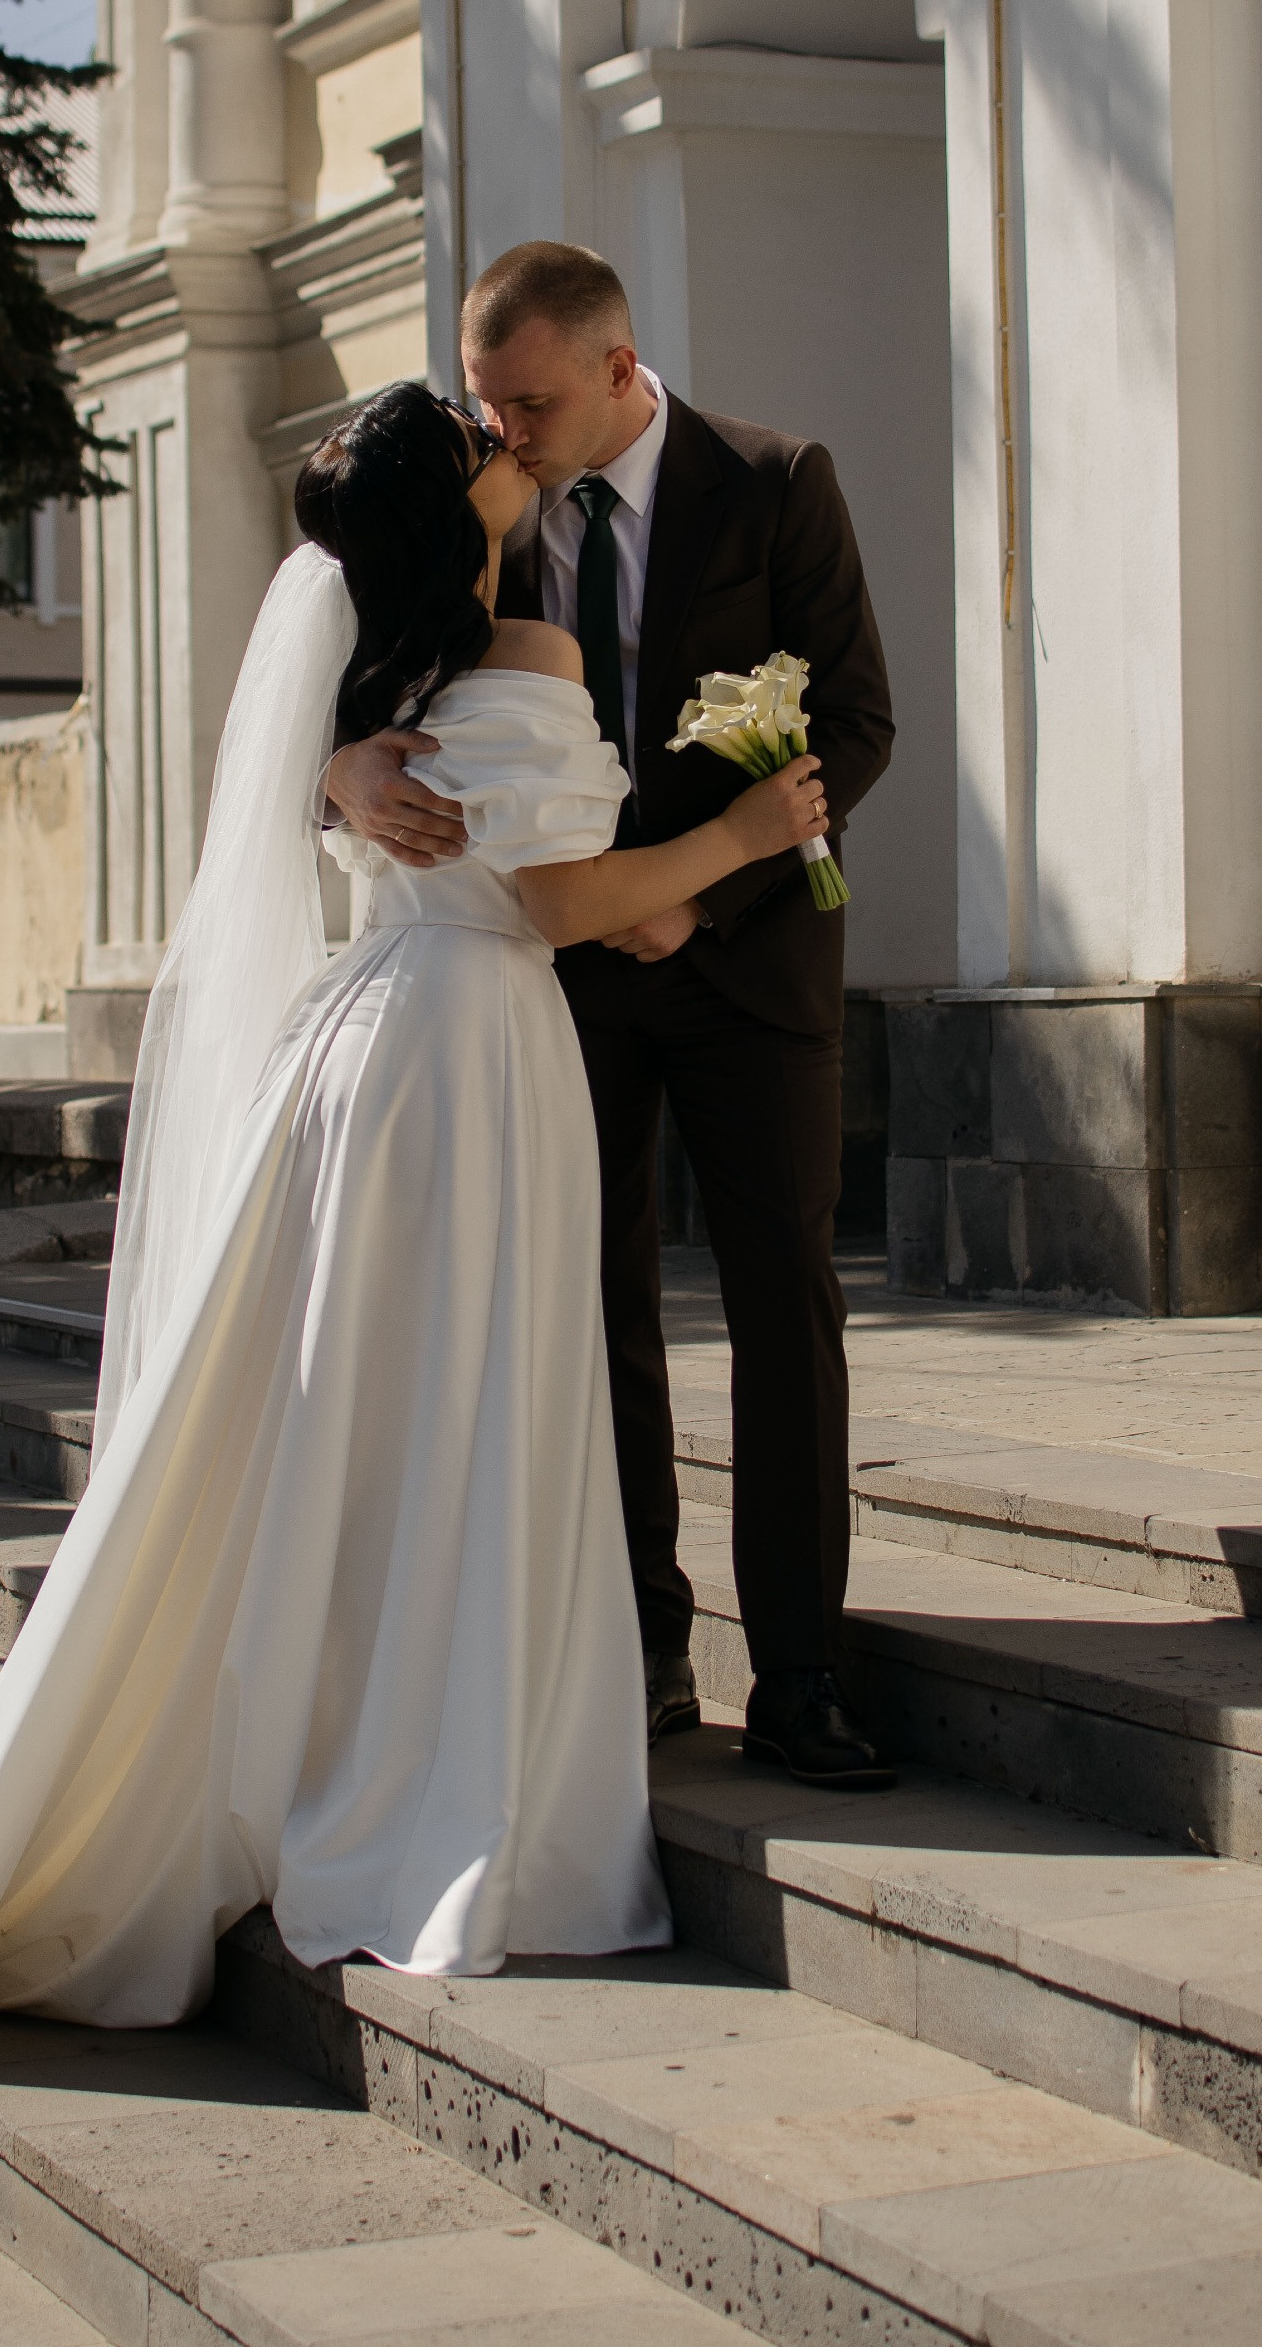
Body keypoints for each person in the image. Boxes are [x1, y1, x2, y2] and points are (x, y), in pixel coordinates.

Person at [0, 380, 828, 2211]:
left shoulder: (370, 657)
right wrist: (742, 842)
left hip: (360, 1049)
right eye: (487, 444)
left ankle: (343, 1737)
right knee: (459, 1411)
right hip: (463, 1058)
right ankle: (438, 1778)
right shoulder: (512, 627)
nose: (513, 447)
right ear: (459, 514)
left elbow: (475, 849)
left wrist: (432, 811)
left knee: (361, 1422)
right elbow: (553, 904)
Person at [327, 246, 895, 1790]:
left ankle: (802, 1678)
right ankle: (644, 1652)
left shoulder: (778, 483)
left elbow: (852, 720)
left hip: (752, 979)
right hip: (547, 977)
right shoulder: (478, 515)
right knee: (596, 1315)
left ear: (619, 367)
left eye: (528, 397)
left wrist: (697, 899)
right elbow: (360, 675)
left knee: (787, 1312)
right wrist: (346, 769)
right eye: (482, 394)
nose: (499, 425)